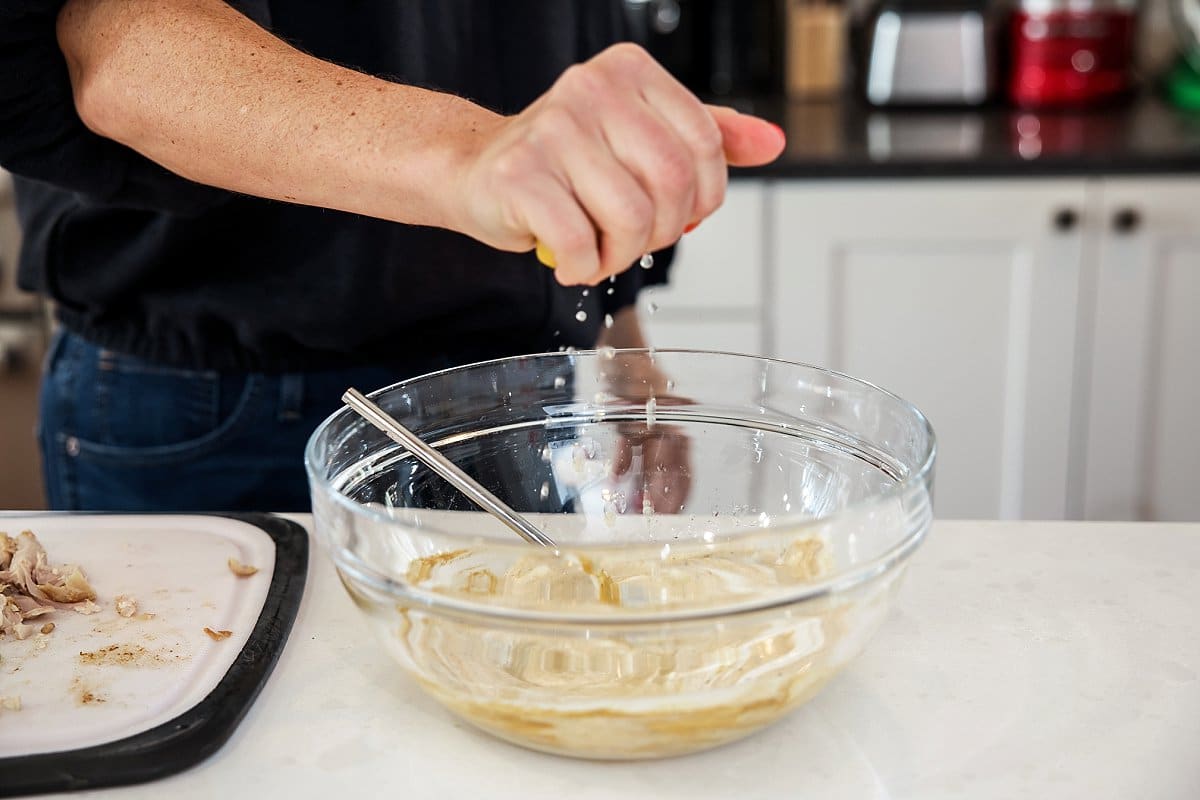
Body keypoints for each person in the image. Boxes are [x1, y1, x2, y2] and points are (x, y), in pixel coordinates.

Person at [0, 1, 785, 513]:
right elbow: (105, 42)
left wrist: (626, 350)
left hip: (505, 391)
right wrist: (472, 154)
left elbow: (562, 69)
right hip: (204, 396)